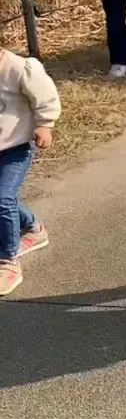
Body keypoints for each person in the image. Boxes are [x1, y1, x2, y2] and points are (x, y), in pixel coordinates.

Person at [0, 45, 61, 297]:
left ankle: (7, 260)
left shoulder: (18, 68)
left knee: (2, 198)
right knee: (4, 198)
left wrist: (45, 124)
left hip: (16, 148)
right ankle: (34, 229)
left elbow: (45, 96)